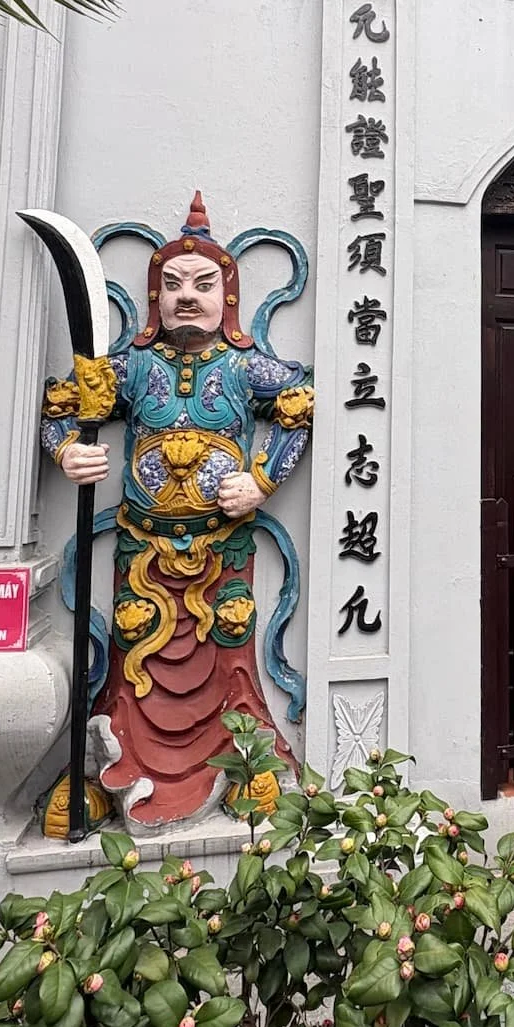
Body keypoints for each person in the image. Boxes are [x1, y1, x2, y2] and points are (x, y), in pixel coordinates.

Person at [41, 193, 312, 827]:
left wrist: (264, 481)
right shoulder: (133, 368)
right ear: (154, 298)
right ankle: (108, 773)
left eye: (204, 283)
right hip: (144, 551)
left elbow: (302, 402)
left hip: (223, 548)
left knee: (229, 662)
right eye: (172, 284)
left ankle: (246, 766)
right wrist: (66, 456)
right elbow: (60, 409)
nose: (187, 295)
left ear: (231, 298)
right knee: (131, 667)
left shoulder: (245, 368)